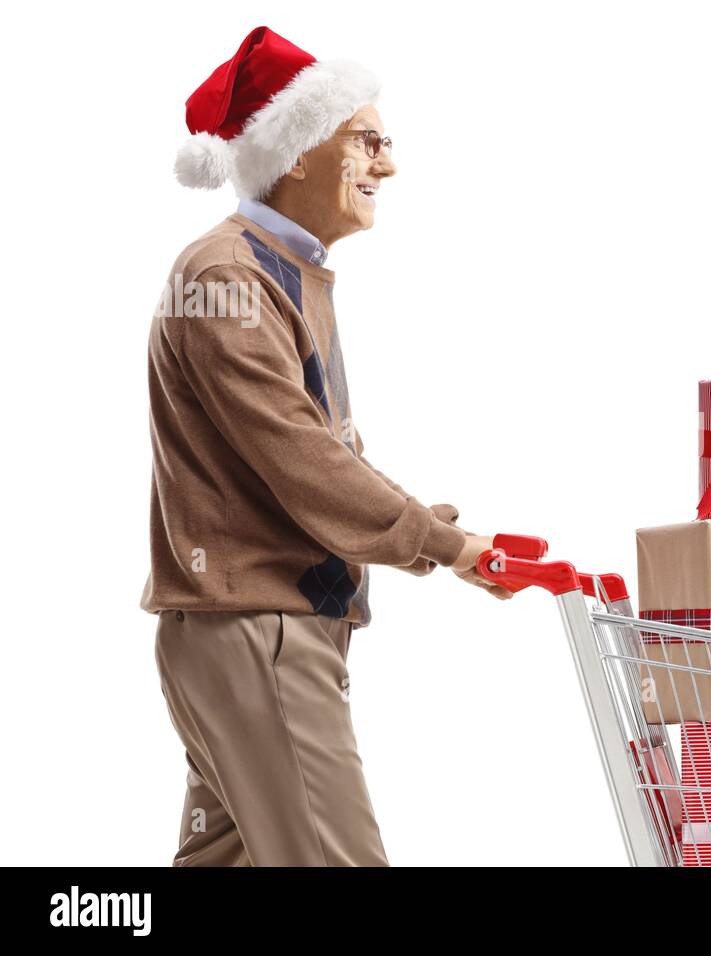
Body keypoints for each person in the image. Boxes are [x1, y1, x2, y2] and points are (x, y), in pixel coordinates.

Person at [143, 26, 508, 866]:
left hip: (252, 625)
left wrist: (426, 527)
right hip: (259, 628)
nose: (388, 164)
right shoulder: (227, 278)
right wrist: (444, 545)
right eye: (368, 141)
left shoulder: (277, 271)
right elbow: (301, 457)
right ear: (298, 151)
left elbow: (313, 453)